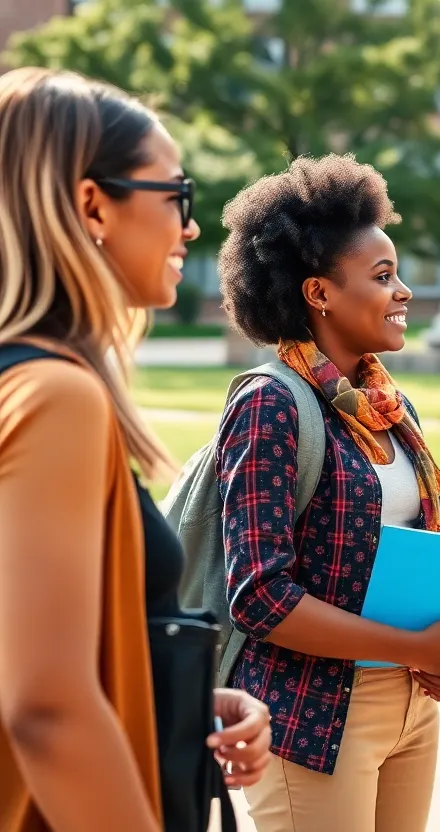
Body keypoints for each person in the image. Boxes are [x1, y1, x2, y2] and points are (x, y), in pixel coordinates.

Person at [0, 67, 271, 831]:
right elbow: (47, 707)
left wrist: (165, 699)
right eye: (176, 197)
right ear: (93, 205)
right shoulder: (55, 396)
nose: (190, 226)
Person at [214, 154, 440, 832]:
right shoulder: (270, 405)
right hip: (312, 716)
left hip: (412, 704)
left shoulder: (392, 407)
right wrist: (413, 647)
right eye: (382, 276)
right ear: (319, 294)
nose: (403, 291)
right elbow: (259, 595)